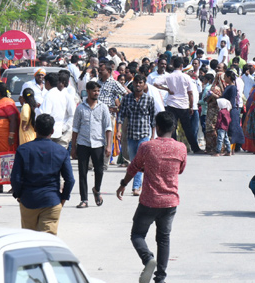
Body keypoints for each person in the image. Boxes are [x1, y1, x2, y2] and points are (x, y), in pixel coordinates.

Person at [116, 112, 186, 283]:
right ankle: (160, 279)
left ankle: (148, 258)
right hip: (170, 201)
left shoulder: (147, 147)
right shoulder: (181, 148)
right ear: (172, 128)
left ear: (158, 127)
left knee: (137, 234)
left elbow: (133, 167)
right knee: (163, 238)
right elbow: (180, 170)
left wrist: (123, 184)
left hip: (149, 200)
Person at [11, 114, 74, 235]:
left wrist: (18, 195)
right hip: (51, 202)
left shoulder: (23, 150)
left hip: (28, 200)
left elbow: (16, 178)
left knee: (30, 241)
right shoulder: (61, 151)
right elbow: (70, 179)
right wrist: (63, 198)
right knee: (47, 243)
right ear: (52, 131)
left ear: (34, 128)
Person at [72, 80, 112, 208]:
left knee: (99, 170)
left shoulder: (103, 107)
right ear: (88, 91)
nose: (96, 93)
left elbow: (108, 127)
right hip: (83, 143)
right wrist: (73, 147)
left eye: (98, 91)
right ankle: (84, 199)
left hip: (98, 143)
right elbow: (75, 128)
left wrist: (109, 145)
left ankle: (97, 189)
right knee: (82, 172)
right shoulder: (80, 108)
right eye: (94, 91)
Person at [118, 74, 158, 196]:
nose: (138, 85)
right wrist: (119, 130)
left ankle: (136, 186)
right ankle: (137, 184)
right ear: (133, 84)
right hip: (130, 134)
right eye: (136, 83)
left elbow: (153, 118)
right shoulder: (127, 98)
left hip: (144, 134)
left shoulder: (149, 99)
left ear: (144, 84)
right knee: (133, 161)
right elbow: (121, 114)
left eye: (141, 83)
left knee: (141, 161)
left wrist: (152, 136)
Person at [154, 57, 201, 153]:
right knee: (187, 128)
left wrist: (167, 89)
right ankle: (195, 148)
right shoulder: (186, 77)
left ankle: (172, 148)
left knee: (172, 128)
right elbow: (190, 93)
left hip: (171, 104)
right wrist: (191, 106)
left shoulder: (168, 76)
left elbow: (156, 83)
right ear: (181, 66)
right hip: (183, 105)